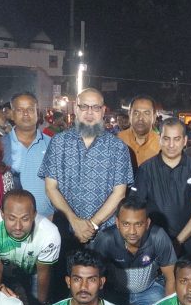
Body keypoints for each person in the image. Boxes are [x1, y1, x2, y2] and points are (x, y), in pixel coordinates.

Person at [39, 88, 133, 245]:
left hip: (106, 234)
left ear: (103, 111)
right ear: (76, 109)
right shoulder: (58, 143)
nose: (89, 112)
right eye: (84, 106)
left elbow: (119, 193)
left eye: (95, 107)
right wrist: (74, 221)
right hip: (67, 231)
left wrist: (92, 225)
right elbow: (50, 188)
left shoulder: (118, 147)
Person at [132, 118, 191, 255]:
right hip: (153, 243)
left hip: (189, 244)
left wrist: (177, 242)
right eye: (166, 139)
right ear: (160, 139)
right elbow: (136, 209)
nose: (171, 145)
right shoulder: (146, 169)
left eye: (177, 139)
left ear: (185, 141)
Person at [89, 197, 176, 305]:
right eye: (126, 224)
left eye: (138, 224)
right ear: (117, 223)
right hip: (115, 292)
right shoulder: (106, 239)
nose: (132, 231)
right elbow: (93, 278)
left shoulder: (158, 236)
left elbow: (171, 278)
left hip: (149, 290)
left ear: (147, 223)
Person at [0, 190, 60, 305]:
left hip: (34, 270)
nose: (18, 226)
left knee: (37, 304)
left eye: (25, 219)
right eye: (12, 218)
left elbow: (43, 274)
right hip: (2, 271)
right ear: (2, 214)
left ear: (34, 215)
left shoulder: (49, 233)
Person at [4, 92, 54, 218]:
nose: (26, 113)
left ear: (38, 113)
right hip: (11, 221)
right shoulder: (0, 145)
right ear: (12, 114)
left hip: (46, 219)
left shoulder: (52, 144)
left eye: (30, 109)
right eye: (20, 110)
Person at [117, 95, 160, 167]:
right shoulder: (117, 141)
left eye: (146, 113)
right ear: (129, 115)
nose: (140, 118)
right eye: (136, 113)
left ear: (154, 117)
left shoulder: (163, 145)